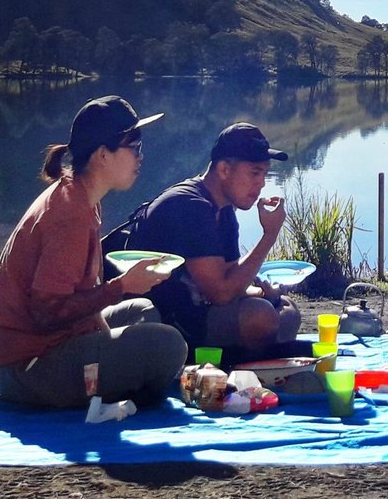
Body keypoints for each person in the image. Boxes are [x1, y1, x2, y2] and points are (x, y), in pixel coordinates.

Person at [0, 96, 187, 409]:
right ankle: (121, 394)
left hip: (52, 345)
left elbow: (78, 296)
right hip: (29, 367)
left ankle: (121, 383)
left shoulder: (83, 196)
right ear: (103, 155)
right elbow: (46, 313)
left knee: (143, 311)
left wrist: (104, 330)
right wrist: (120, 286)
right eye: (135, 146)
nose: (141, 156)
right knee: (168, 345)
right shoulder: (69, 214)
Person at [130, 122, 303, 357]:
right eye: (254, 173)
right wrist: (269, 235)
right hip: (167, 323)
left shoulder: (224, 210)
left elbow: (233, 280)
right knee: (260, 317)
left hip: (200, 309)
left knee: (289, 311)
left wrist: (265, 293)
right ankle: (240, 364)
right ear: (224, 170)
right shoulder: (190, 205)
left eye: (264, 174)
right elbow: (221, 294)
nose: (261, 183)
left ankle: (249, 357)